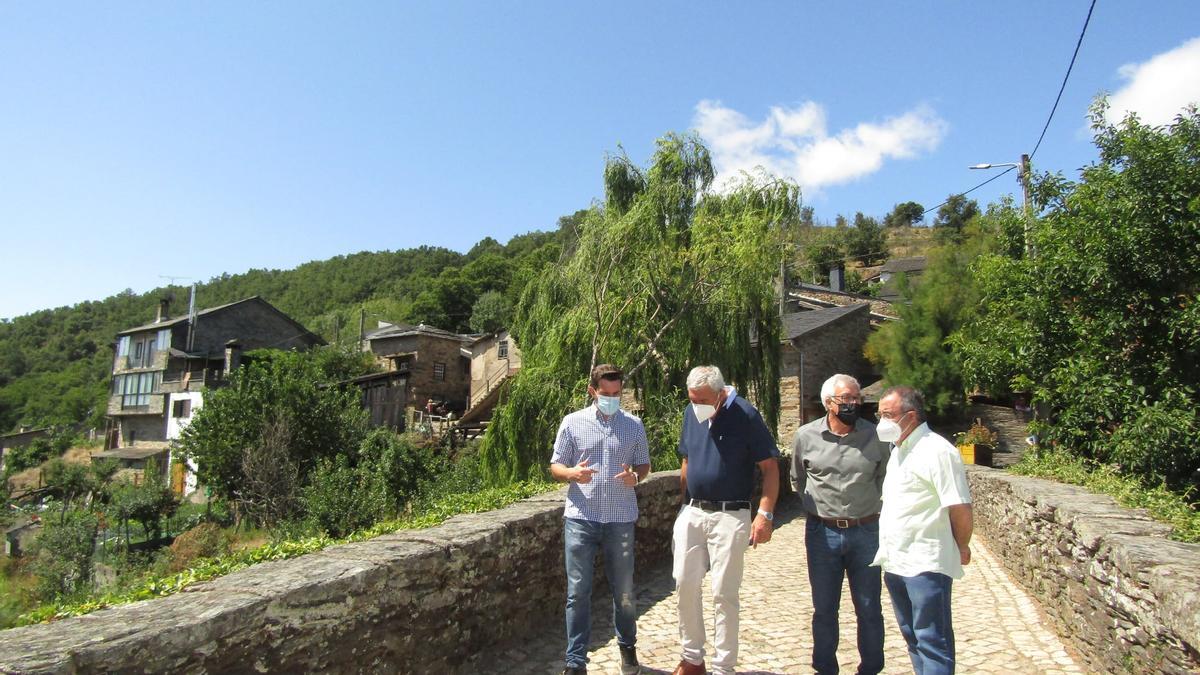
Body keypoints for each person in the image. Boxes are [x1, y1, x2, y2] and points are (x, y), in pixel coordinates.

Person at [672, 365, 779, 675]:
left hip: (730, 514)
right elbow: (687, 459)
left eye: (702, 399)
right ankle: (693, 659)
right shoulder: (691, 412)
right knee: (684, 583)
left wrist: (765, 515)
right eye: (692, 398)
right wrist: (683, 505)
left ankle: (723, 667)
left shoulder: (745, 415)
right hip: (693, 511)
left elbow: (770, 467)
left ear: (720, 394)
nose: (697, 405)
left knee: (724, 592)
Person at [550, 364, 651, 675]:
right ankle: (576, 661)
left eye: (617, 393)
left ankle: (628, 648)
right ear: (593, 391)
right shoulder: (572, 423)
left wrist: (636, 476)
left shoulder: (634, 425)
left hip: (620, 518)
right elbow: (556, 466)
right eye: (606, 393)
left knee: (623, 590)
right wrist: (572, 473)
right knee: (578, 592)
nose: (612, 398)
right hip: (581, 518)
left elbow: (644, 465)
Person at [871, 386, 973, 675]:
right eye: (879, 415)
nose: (881, 422)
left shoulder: (938, 451)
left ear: (911, 416)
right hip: (896, 560)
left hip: (926, 562)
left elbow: (960, 506)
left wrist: (961, 546)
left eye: (887, 415)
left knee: (932, 639)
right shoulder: (899, 451)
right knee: (912, 636)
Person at [792, 374, 889, 675]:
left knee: (870, 608)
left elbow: (884, 477)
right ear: (827, 403)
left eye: (856, 398)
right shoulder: (806, 437)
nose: (852, 404)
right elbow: (798, 479)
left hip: (867, 532)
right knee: (824, 609)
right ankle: (825, 668)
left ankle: (871, 668)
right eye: (845, 399)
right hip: (823, 533)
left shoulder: (876, 436)